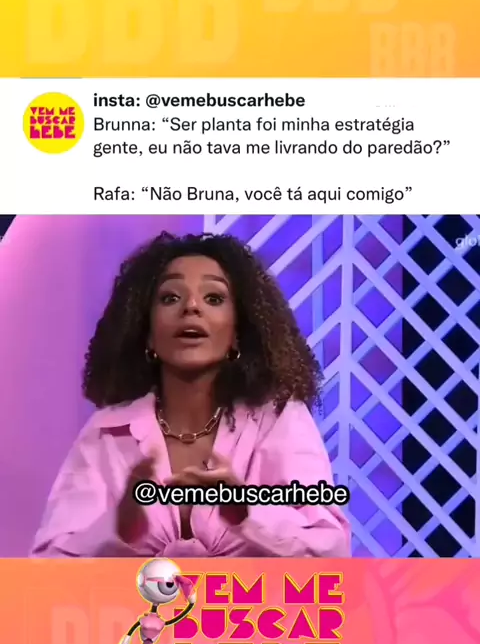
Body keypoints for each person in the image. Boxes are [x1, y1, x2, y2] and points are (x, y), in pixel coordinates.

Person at [31, 232, 350, 558]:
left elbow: (331, 551)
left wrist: (246, 511)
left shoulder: (279, 418)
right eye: (170, 298)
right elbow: (48, 563)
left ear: (237, 335)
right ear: (147, 335)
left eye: (214, 298)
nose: (191, 307)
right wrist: (118, 528)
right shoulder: (107, 433)